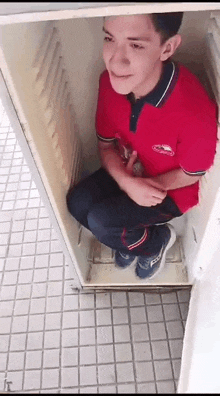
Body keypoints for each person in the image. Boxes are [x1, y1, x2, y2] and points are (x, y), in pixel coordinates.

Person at [67, 12, 218, 280]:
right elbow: (105, 145)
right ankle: (133, 238)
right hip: (131, 171)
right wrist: (127, 182)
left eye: (135, 45)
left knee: (103, 223)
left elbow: (192, 173)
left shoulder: (194, 112)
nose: (115, 58)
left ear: (167, 48)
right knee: (78, 204)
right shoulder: (109, 83)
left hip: (171, 189)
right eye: (109, 38)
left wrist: (143, 186)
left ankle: (153, 244)